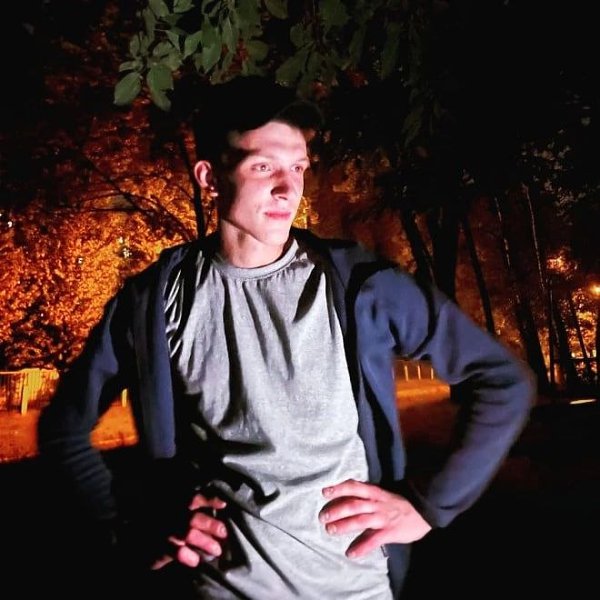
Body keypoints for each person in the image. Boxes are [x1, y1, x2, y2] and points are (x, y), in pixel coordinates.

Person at [38, 76, 535, 599]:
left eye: (297, 167)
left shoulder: (361, 287)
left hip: (354, 588)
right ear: (209, 177)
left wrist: (429, 506)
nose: (288, 188)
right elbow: (63, 430)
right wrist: (134, 524)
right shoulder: (154, 302)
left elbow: (503, 380)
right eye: (263, 167)